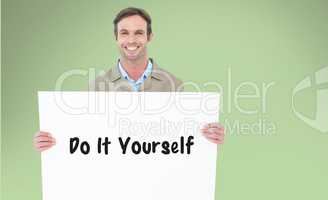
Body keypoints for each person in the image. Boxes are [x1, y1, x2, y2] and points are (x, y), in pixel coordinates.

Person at [33, 7, 224, 152]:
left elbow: (184, 138)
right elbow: (84, 138)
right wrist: (52, 139)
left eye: (139, 33)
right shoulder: (97, 87)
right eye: (124, 33)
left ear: (150, 37)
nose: (131, 40)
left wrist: (208, 135)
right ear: (116, 37)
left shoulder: (174, 84)